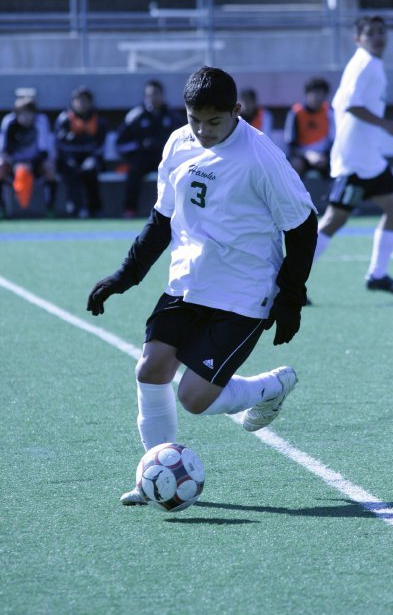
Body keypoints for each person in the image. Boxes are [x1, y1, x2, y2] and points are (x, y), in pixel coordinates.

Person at [87, 66, 318, 505]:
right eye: (195, 119)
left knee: (194, 397)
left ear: (237, 110)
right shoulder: (178, 142)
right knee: (150, 369)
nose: (203, 130)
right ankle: (153, 474)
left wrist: (291, 299)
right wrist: (126, 275)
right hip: (187, 282)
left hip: (243, 293)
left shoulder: (260, 157)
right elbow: (163, 218)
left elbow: (304, 225)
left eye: (214, 122)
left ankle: (269, 388)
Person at [313, 15, 393, 295]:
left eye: (381, 31)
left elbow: (346, 104)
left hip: (369, 159)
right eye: (371, 33)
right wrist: (388, 125)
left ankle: (377, 275)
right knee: (334, 220)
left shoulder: (370, 63)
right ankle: (289, 282)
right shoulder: (364, 63)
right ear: (358, 39)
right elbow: (351, 105)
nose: (378, 37)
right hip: (355, 160)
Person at [115, 79, 184, 218]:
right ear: (145, 97)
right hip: (143, 159)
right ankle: (130, 209)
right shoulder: (135, 116)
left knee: (180, 172)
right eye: (150, 94)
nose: (154, 98)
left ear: (163, 95)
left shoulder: (173, 117)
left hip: (165, 159)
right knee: (133, 170)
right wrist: (139, 147)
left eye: (157, 94)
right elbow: (120, 143)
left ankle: (178, 212)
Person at [0, 95, 57, 218]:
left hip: (35, 166)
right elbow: (4, 150)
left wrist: (31, 164)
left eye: (28, 113)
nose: (25, 117)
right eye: (22, 113)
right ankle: (1, 208)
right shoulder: (9, 122)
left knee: (49, 166)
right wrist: (16, 164)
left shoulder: (41, 122)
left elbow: (44, 151)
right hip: (13, 166)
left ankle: (50, 207)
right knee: (0, 166)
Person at [54, 87, 107, 218]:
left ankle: (95, 208)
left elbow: (100, 145)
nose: (82, 104)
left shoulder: (98, 121)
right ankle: (76, 208)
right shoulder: (64, 120)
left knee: (90, 170)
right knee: (71, 170)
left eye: (85, 101)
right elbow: (60, 144)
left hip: (90, 157)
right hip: (69, 158)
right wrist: (70, 157)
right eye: (79, 101)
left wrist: (92, 158)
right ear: (73, 102)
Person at [284, 77, 334, 180]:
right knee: (295, 164)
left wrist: (324, 156)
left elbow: (333, 140)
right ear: (307, 94)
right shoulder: (296, 113)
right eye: (313, 93)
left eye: (320, 93)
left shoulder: (330, 112)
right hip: (302, 156)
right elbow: (290, 142)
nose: (316, 97)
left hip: (324, 156)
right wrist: (308, 155)